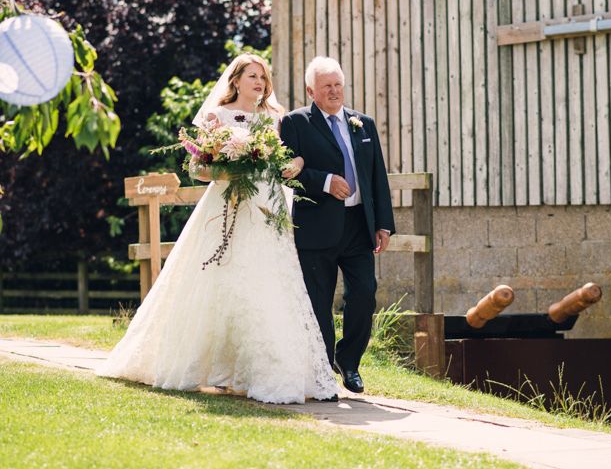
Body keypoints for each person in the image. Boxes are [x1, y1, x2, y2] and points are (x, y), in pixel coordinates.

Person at [96, 54, 339, 404]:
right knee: (215, 282)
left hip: (265, 209)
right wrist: (232, 168)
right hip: (223, 208)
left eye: (263, 76)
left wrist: (295, 164)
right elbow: (198, 169)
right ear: (236, 81)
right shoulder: (217, 117)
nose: (259, 81)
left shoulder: (275, 118)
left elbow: (290, 159)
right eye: (252, 75)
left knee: (266, 285)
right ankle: (206, 367)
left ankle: (266, 369)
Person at [280, 56, 396, 394]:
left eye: (338, 85)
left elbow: (377, 177)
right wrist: (325, 181)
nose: (334, 91)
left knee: (365, 294)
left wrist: (384, 224)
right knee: (319, 304)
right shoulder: (295, 123)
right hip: (317, 227)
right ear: (310, 90)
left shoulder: (363, 124)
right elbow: (285, 173)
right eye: (326, 86)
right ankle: (322, 368)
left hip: (359, 225)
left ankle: (349, 361)